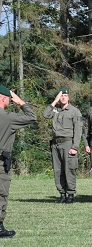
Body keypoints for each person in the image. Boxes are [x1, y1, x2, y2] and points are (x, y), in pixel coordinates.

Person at [0, 86, 37, 238]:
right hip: (1, 163)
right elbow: (32, 116)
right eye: (9, 98)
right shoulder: (8, 117)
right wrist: (21, 103)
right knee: (1, 194)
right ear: (3, 98)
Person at [43, 88, 82, 204]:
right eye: (61, 96)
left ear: (69, 98)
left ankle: (70, 194)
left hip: (68, 142)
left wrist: (75, 147)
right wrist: (54, 101)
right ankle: (62, 194)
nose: (63, 98)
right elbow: (45, 114)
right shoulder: (55, 110)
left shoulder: (74, 111)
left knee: (69, 169)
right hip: (56, 143)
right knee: (58, 170)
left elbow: (78, 131)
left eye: (65, 95)